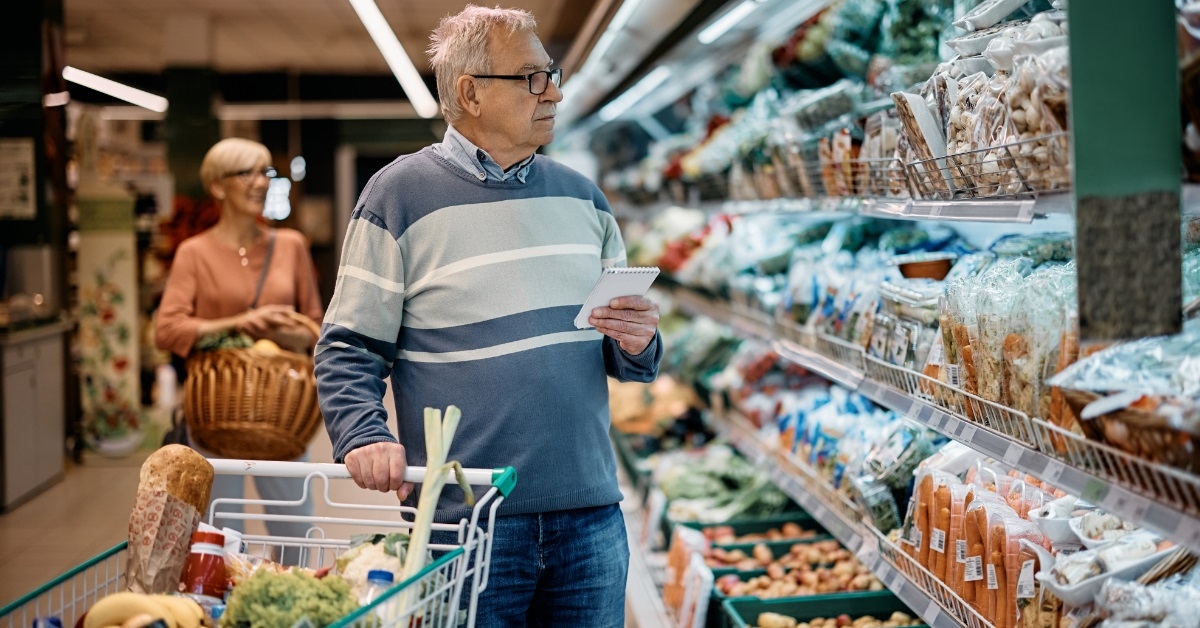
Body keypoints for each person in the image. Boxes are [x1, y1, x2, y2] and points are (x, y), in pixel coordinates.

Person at [315, 5, 661, 626]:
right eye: (531, 77)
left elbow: (625, 357)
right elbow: (348, 347)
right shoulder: (397, 198)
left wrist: (638, 343)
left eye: (551, 74)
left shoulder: (585, 199)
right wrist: (363, 433)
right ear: (471, 93)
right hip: (467, 525)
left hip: (590, 516)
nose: (553, 90)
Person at [156, 137, 323, 547]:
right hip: (217, 410)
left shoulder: (291, 246)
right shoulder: (194, 254)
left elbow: (318, 326)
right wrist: (244, 322)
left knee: (296, 534)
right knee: (222, 536)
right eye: (245, 173)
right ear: (217, 186)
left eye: (265, 172)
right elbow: (168, 330)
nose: (260, 183)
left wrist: (288, 334)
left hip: (280, 412)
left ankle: (293, 607)